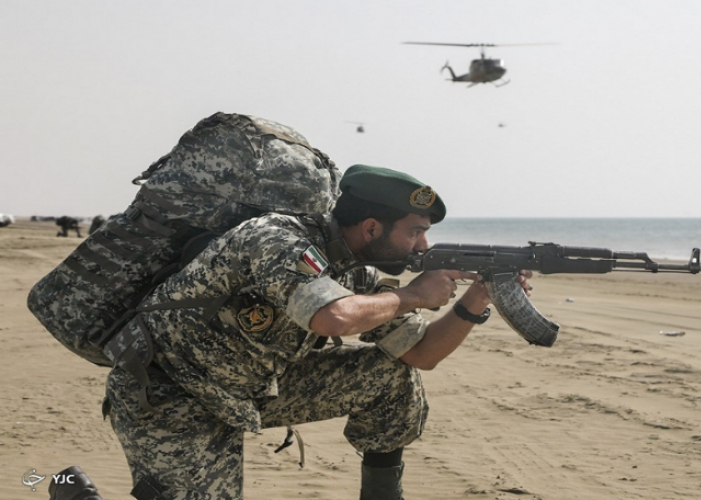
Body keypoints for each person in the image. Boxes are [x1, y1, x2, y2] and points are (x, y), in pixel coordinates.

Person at [80, 164, 532, 500]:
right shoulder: (277, 238)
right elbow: (333, 318)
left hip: (247, 389)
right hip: (170, 392)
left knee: (390, 376)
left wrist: (476, 301)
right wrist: (413, 295)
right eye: (415, 232)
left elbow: (421, 353)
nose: (423, 246)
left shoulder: (354, 270)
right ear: (371, 227)